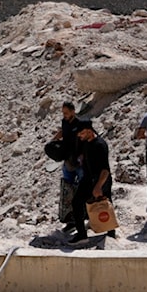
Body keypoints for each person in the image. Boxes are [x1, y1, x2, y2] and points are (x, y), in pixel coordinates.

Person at [69, 119, 115, 242]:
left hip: (101, 179)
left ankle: (111, 234)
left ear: (89, 131)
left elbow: (105, 169)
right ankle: (82, 235)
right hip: (88, 179)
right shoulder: (86, 142)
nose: (79, 135)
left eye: (81, 133)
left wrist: (99, 186)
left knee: (105, 204)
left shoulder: (100, 145)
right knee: (77, 202)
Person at [51, 101, 83, 231]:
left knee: (82, 190)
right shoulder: (65, 122)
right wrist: (53, 142)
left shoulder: (80, 124)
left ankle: (84, 218)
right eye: (63, 113)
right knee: (67, 190)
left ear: (73, 111)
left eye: (66, 113)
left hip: (80, 163)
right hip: (68, 161)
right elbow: (62, 133)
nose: (64, 115)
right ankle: (70, 220)